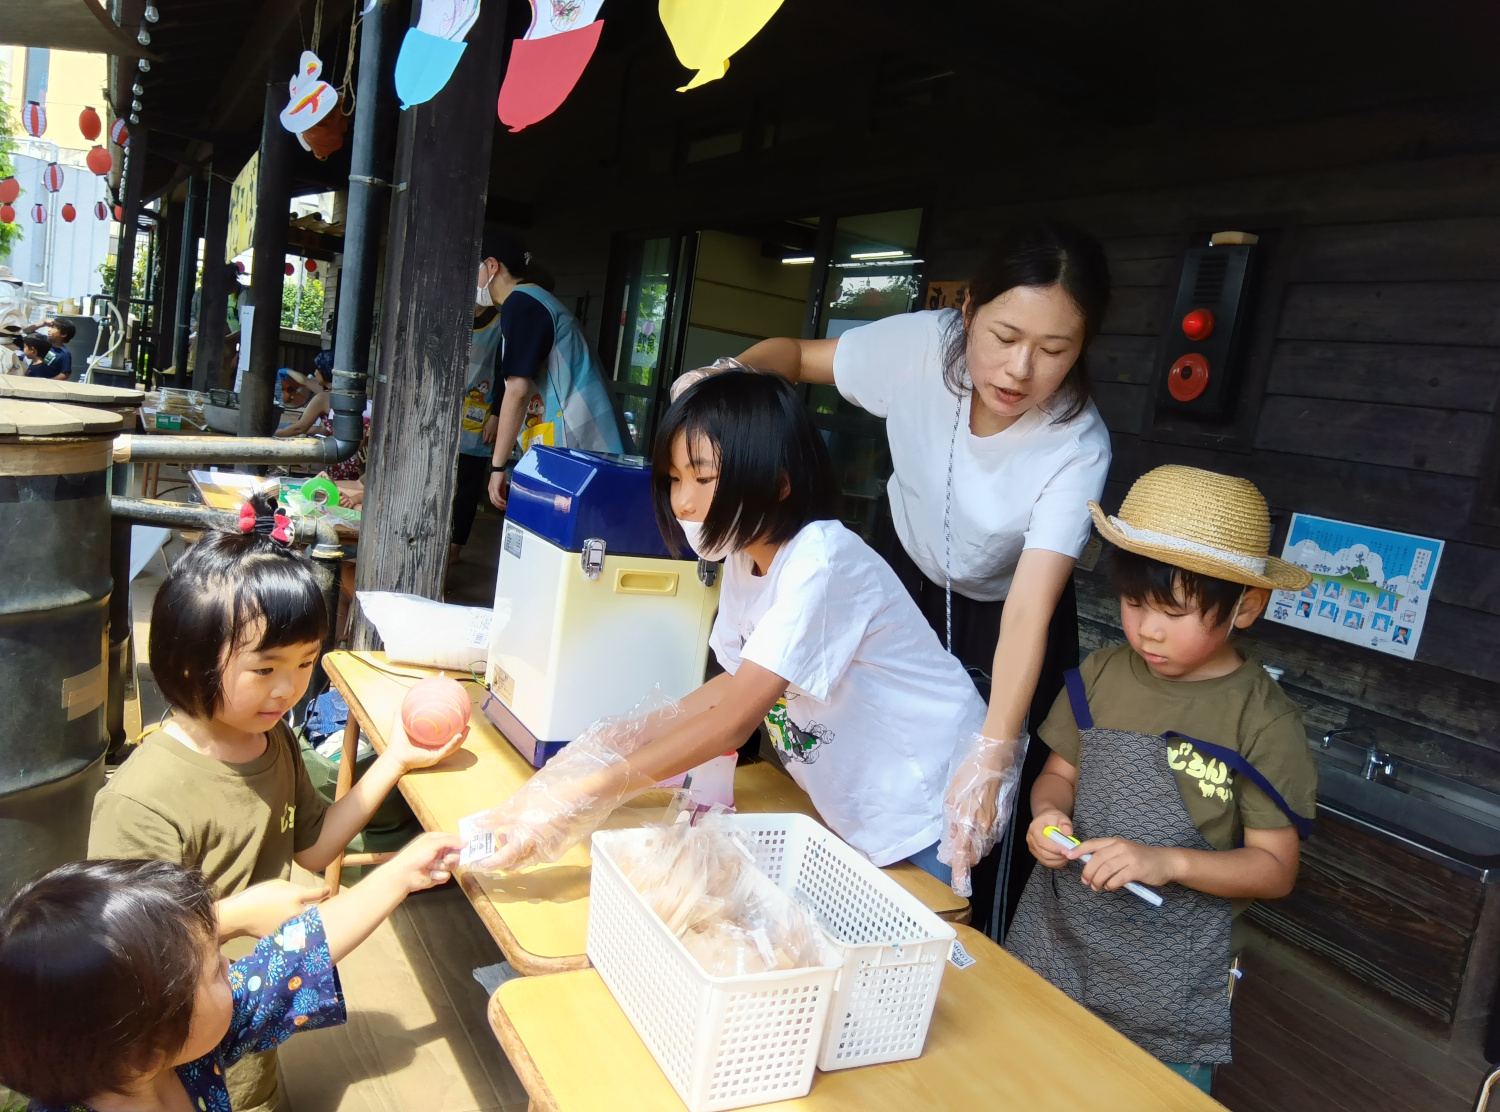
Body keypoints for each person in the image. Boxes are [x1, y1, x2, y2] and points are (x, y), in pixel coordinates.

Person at [677, 221, 1113, 935]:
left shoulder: (1078, 443)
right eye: (1004, 337)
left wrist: (994, 754)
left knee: (979, 806)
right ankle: (805, 896)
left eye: (1055, 350)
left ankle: (962, 942)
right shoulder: (920, 348)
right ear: (968, 311)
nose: (1020, 370)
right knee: (832, 731)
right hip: (905, 567)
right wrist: (724, 388)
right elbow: (790, 357)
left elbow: (1030, 612)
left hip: (1010, 609)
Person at [464, 369, 988, 881]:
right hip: (864, 800)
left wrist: (588, 791)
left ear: (778, 481)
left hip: (931, 803)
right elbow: (733, 682)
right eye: (674, 479)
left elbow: (733, 721)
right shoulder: (745, 556)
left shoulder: (822, 563)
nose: (683, 501)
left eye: (703, 477)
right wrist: (615, 741)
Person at [87, 491, 466, 1112]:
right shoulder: (140, 803)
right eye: (264, 670)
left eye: (306, 663)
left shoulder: (272, 741)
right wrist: (230, 917)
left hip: (247, 1015)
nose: (289, 689)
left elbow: (312, 846)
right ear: (189, 660)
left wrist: (394, 758)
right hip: (173, 1047)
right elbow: (127, 966)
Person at [1006, 465, 1317, 1094]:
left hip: (1166, 988)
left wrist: (1165, 862)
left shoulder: (1263, 720)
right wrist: (1047, 816)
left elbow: (1275, 868)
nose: (1147, 629)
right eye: (1134, 603)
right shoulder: (1100, 674)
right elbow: (1058, 775)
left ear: (1247, 606)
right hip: (1053, 943)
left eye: (1174, 612)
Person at [0, 834, 462, 1112]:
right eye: (214, 972)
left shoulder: (179, 1052)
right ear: (144, 1057)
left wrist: (401, 874)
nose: (231, 964)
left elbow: (294, 956)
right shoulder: (181, 1049)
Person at [476, 231, 625, 518]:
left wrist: (497, 466)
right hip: (580, 445)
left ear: (492, 266)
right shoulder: (530, 300)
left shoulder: (521, 304)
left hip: (581, 445)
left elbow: (517, 391)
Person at [274, 353, 333, 438]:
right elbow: (325, 430)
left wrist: (269, 434)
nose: (315, 373)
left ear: (325, 372)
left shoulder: (323, 397)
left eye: (317, 369)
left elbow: (299, 428)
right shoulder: (330, 392)